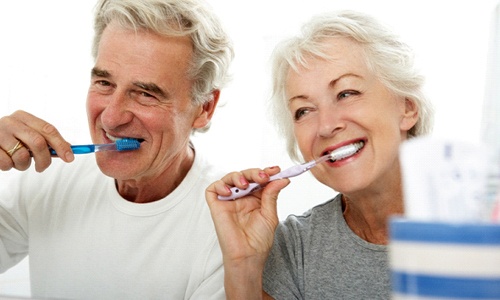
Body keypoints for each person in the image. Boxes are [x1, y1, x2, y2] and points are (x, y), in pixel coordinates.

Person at [0, 0, 233, 299]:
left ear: (204, 107)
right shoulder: (49, 179)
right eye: (104, 83)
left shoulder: (229, 228)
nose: (110, 118)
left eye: (146, 94)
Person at [206, 10, 434, 299]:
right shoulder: (295, 246)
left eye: (346, 93)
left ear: (408, 107)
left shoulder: (481, 220)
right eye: (304, 110)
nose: (326, 126)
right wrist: (244, 266)